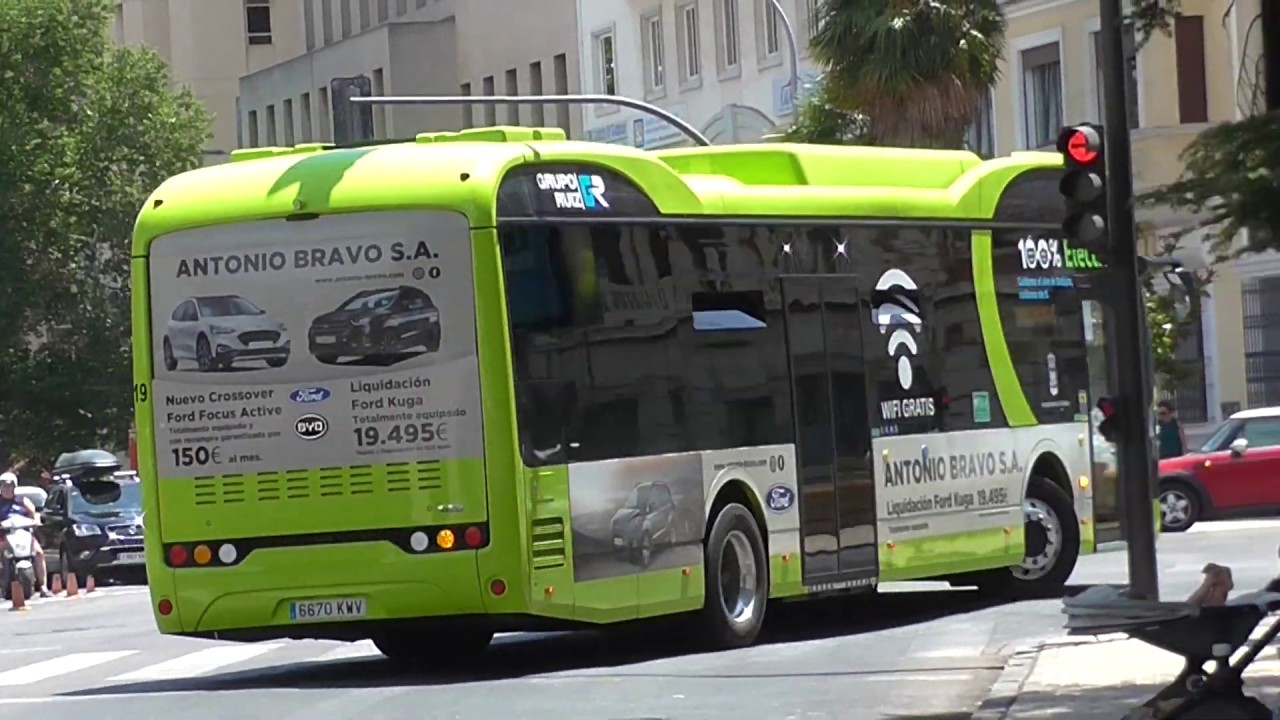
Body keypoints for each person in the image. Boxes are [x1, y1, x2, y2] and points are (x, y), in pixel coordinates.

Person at [0, 473, 52, 598]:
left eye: (10, 486)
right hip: (4, 535)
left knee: (39, 553)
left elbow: (34, 513)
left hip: (24, 533)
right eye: (4, 486)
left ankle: (43, 587)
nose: (7, 489)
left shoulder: (22, 501)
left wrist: (37, 520)